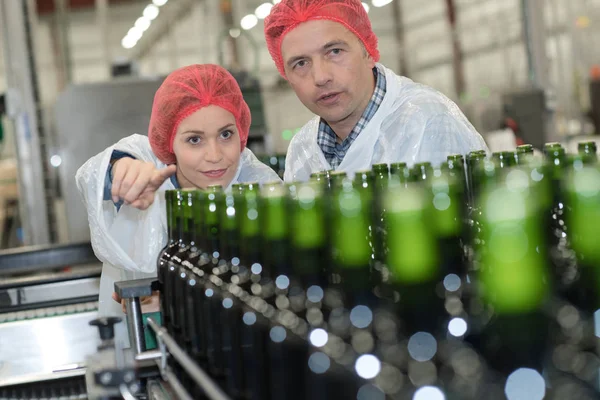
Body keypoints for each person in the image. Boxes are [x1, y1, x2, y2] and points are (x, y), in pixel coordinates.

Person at [76, 64, 281, 345]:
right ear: (169, 141)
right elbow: (95, 174)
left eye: (225, 134)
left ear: (242, 131)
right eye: (194, 140)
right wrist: (122, 169)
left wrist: (174, 301)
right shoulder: (150, 164)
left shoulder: (260, 186)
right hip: (138, 354)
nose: (214, 155)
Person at [263, 0, 489, 182]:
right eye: (300, 64)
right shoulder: (302, 151)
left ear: (368, 52)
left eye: (334, 52)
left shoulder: (427, 122)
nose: (321, 77)